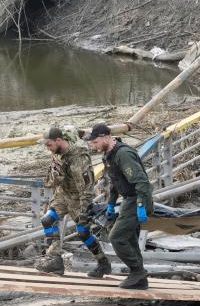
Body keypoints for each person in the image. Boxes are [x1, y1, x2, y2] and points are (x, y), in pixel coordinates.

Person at [36, 126, 111, 278]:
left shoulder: (78, 158)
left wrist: (85, 210)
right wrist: (55, 177)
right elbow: (50, 182)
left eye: (49, 144)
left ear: (59, 141)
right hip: (63, 195)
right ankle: (54, 261)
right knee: (47, 220)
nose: (48, 148)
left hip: (78, 198)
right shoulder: (57, 150)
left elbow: (87, 187)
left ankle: (103, 263)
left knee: (83, 232)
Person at [86, 123, 153, 290]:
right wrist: (110, 204)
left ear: (104, 137)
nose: (93, 147)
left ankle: (137, 272)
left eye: (95, 143)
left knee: (117, 237)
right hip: (127, 200)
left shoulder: (123, 154)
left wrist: (141, 205)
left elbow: (141, 182)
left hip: (137, 199)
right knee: (129, 238)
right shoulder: (109, 155)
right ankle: (140, 277)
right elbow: (116, 182)